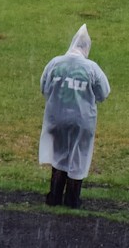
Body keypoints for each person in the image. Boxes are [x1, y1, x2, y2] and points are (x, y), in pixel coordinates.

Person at [39, 25, 110, 209]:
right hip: (82, 120)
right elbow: (103, 93)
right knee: (79, 156)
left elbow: (44, 88)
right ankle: (72, 198)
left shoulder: (55, 63)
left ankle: (54, 196)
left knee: (59, 154)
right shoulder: (91, 68)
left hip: (56, 118)